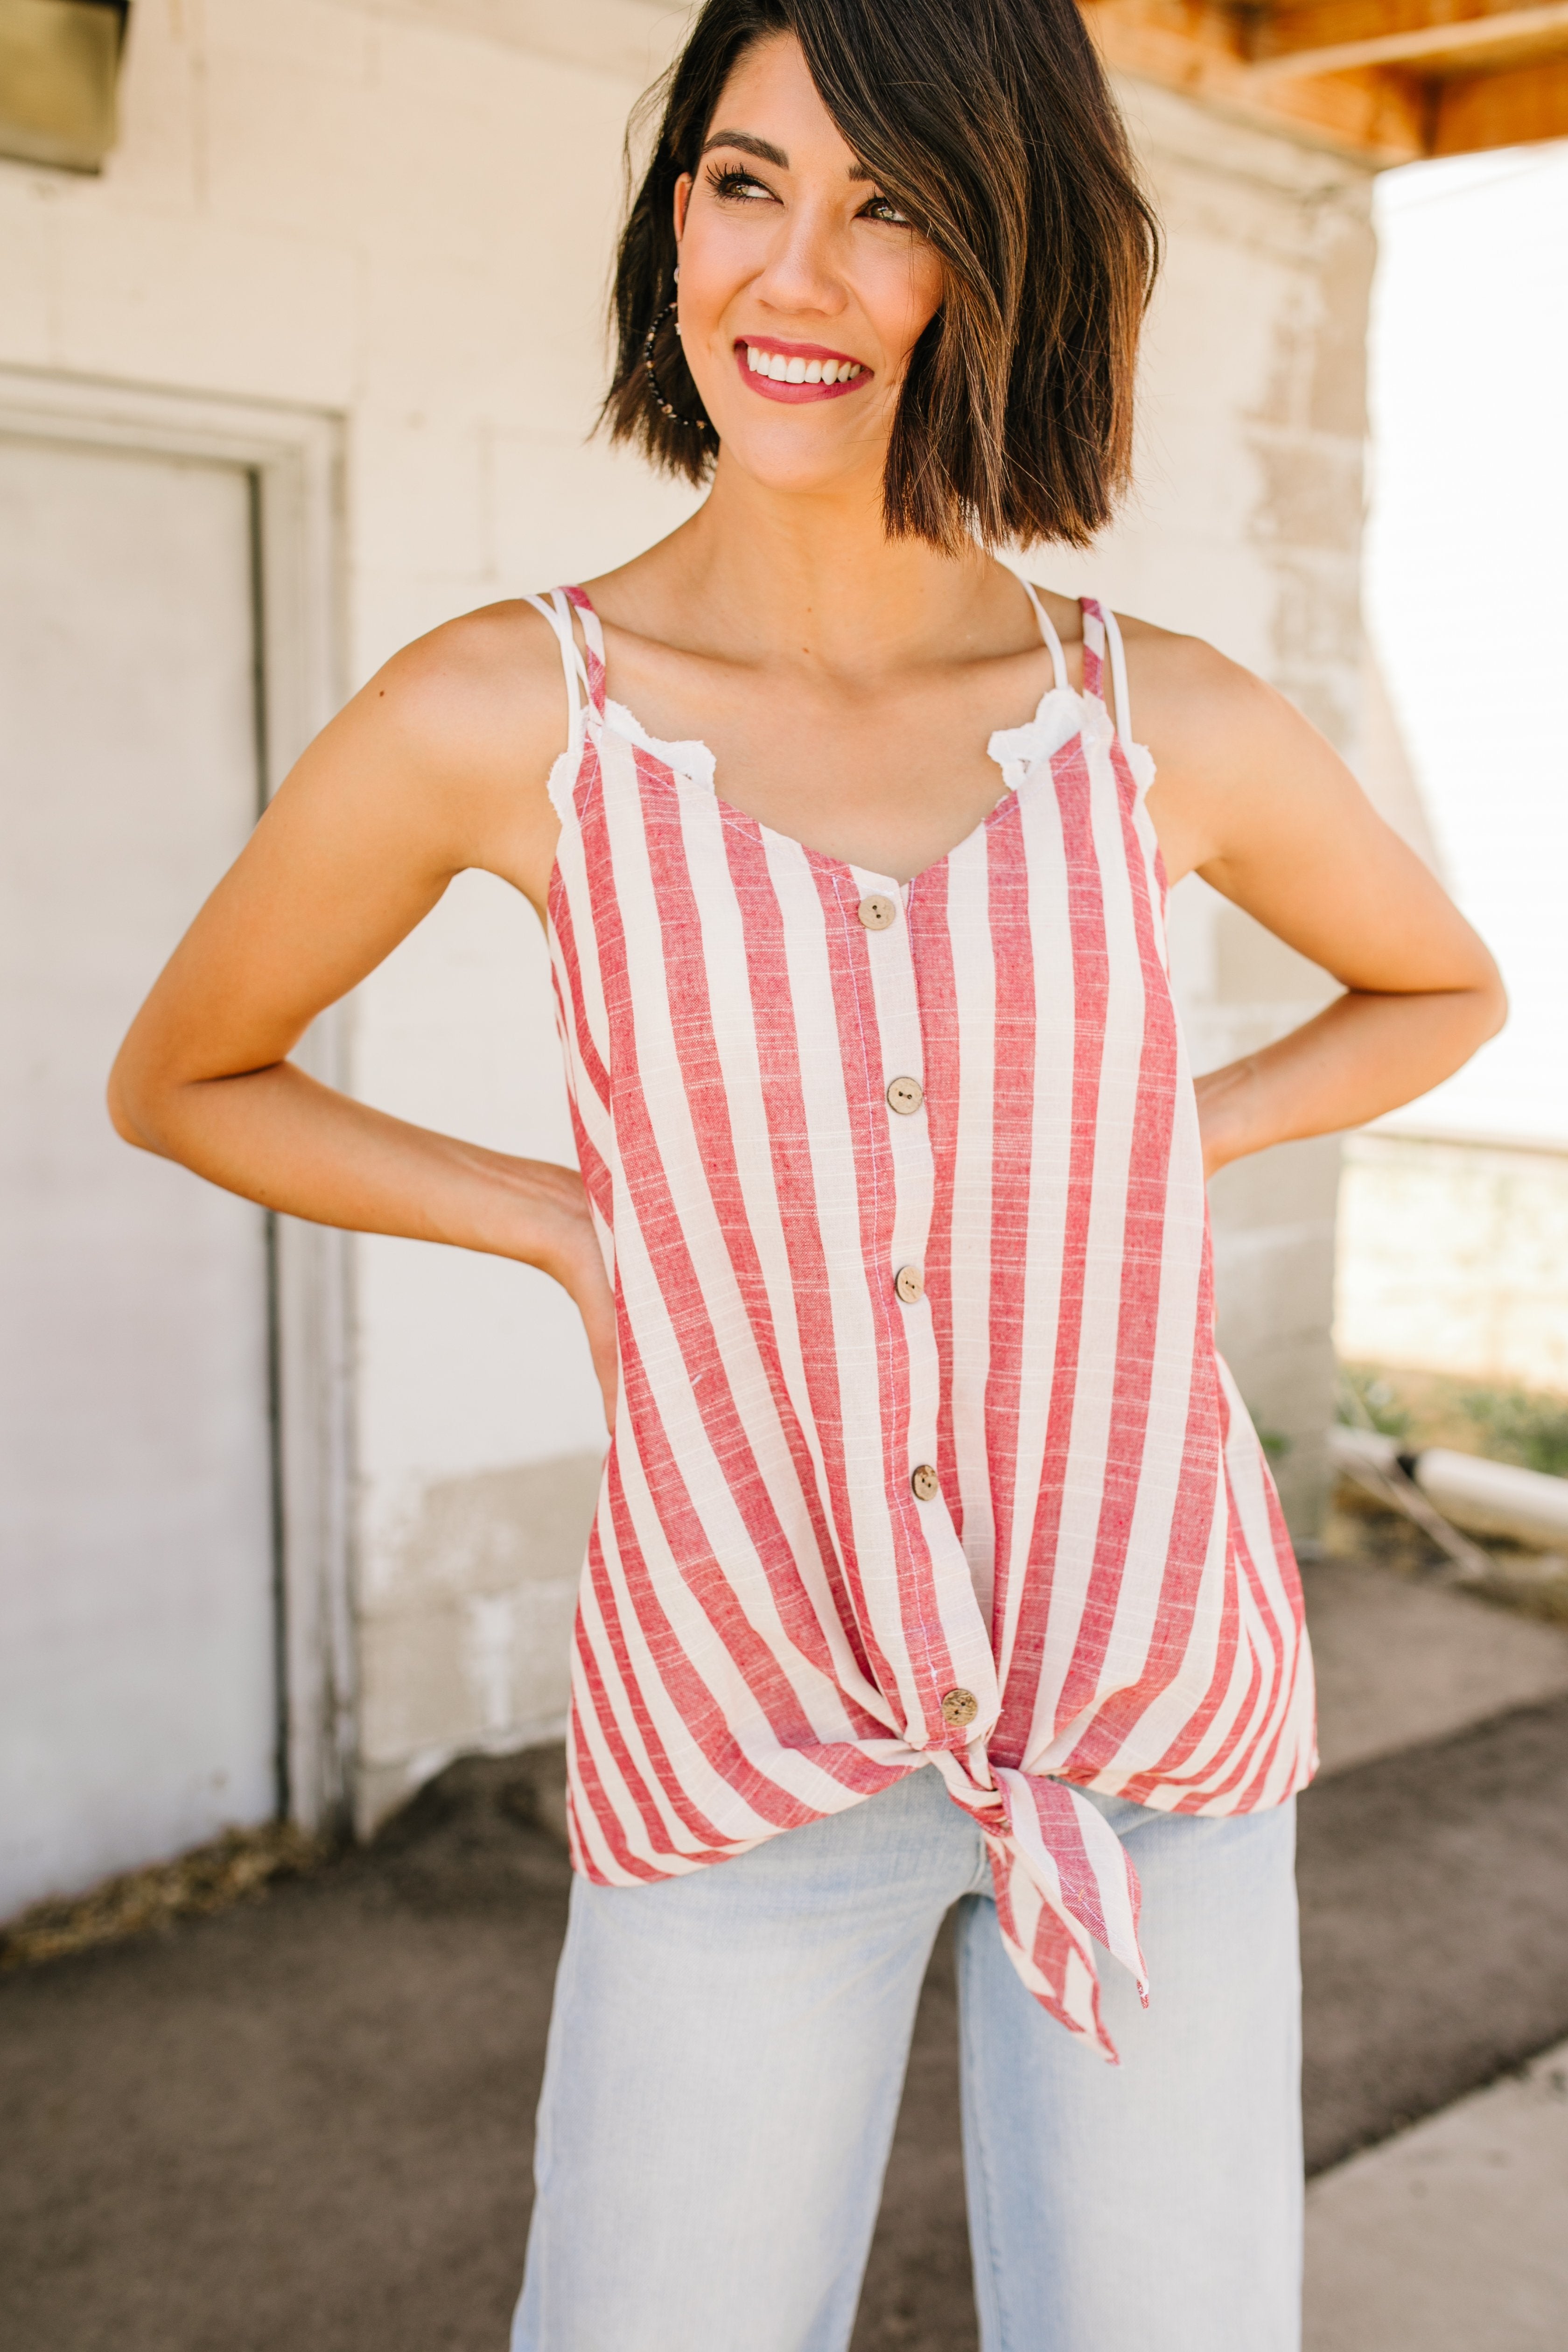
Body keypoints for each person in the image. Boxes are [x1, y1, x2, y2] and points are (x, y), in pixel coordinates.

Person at [109, 0, 1504, 2343]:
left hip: (1147, 1707)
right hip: (747, 1721)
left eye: (894, 209)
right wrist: (561, 1221)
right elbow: (191, 1071)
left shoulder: (1156, 723)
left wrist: (1165, 1141)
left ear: (996, 263)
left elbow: (1443, 989)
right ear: (676, 227)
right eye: (748, 184)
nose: (801, 272)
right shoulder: (505, 712)